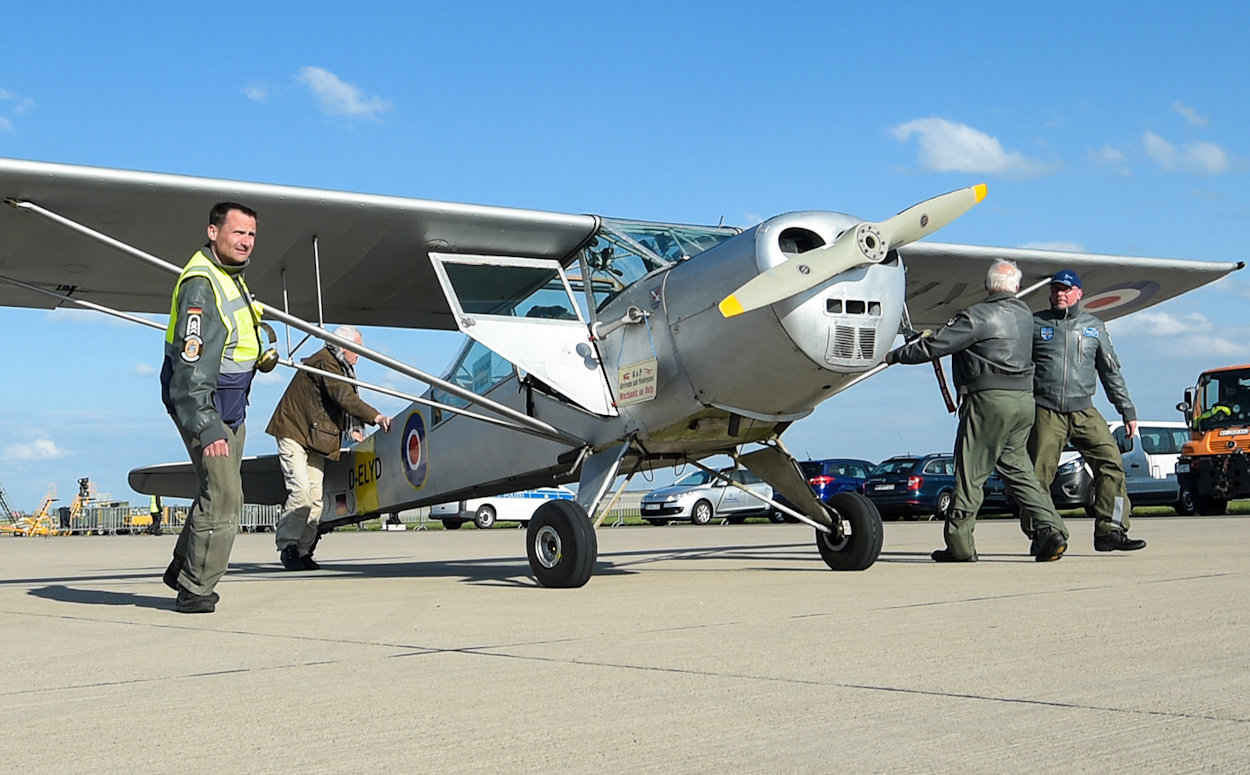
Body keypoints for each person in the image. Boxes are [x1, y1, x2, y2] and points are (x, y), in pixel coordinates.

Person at [885, 259, 1069, 562]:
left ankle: (960, 545)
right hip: (1023, 401)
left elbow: (935, 347)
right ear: (1017, 288)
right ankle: (1051, 529)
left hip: (988, 402)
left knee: (970, 471)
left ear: (987, 286)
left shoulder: (976, 316)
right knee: (1019, 471)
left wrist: (894, 355)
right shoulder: (1025, 315)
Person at [160, 201, 263, 613]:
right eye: (238, 232)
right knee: (224, 496)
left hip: (231, 403)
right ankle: (195, 590)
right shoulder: (202, 284)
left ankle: (183, 565)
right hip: (207, 405)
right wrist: (205, 424)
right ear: (213, 232)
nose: (246, 241)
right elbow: (190, 366)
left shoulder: (229, 277)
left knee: (216, 490)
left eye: (251, 234)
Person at [1028, 269, 1147, 552]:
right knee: (1036, 475)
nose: (1060, 294)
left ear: (1079, 294)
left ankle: (1111, 530)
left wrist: (1126, 409)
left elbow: (1111, 371)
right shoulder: (1034, 324)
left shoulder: (1094, 326)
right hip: (1046, 410)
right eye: (1056, 289)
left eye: (1067, 290)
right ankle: (1043, 534)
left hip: (1084, 409)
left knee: (1112, 465)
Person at [266, 325, 391, 570]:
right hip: (294, 432)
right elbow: (343, 397)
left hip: (316, 438)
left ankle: (303, 551)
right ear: (344, 347)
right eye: (356, 350)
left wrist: (350, 428)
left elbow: (335, 402)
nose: (359, 355)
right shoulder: (326, 362)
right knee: (301, 492)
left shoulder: (338, 364)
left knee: (316, 500)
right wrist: (376, 418)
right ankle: (288, 547)